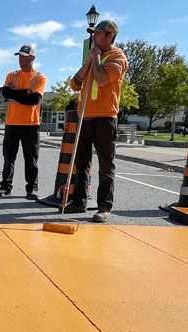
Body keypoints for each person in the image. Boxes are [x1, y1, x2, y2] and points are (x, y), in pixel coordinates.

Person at [66, 20, 128, 223]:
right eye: (94, 33)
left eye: (98, 33)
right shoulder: (93, 58)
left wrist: (96, 59)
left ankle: (104, 207)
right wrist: (88, 64)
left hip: (105, 118)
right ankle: (78, 201)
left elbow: (102, 80)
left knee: (105, 165)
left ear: (109, 35)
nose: (94, 37)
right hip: (85, 116)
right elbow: (75, 84)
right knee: (81, 162)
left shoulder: (117, 57)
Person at [0, 44, 46, 200]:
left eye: (24, 56)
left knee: (31, 159)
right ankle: (5, 186)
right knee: (9, 157)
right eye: (20, 56)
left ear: (32, 58)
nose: (21, 59)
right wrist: (24, 92)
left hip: (31, 124)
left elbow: (34, 100)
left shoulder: (39, 77)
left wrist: (15, 94)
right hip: (12, 123)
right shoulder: (12, 75)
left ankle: (32, 189)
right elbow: (5, 93)